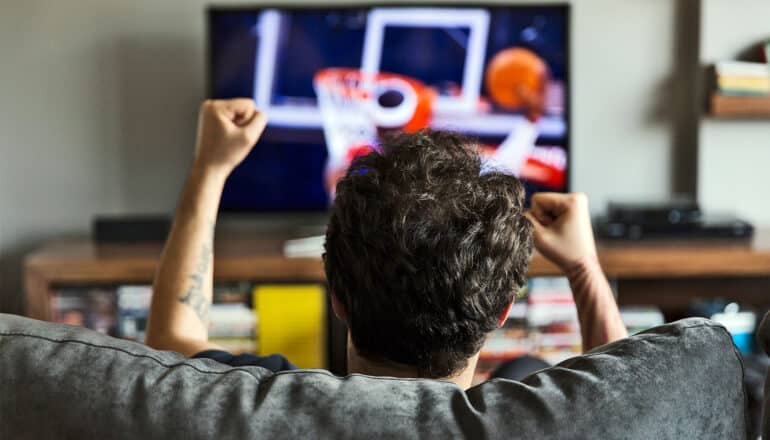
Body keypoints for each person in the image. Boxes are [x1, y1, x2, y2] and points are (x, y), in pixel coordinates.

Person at [145, 98, 627, 389]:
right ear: (502, 312)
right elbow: (630, 392)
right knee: (525, 368)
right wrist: (584, 267)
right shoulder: (553, 422)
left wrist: (210, 167)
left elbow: (172, 342)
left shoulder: (263, 407)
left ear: (337, 294)